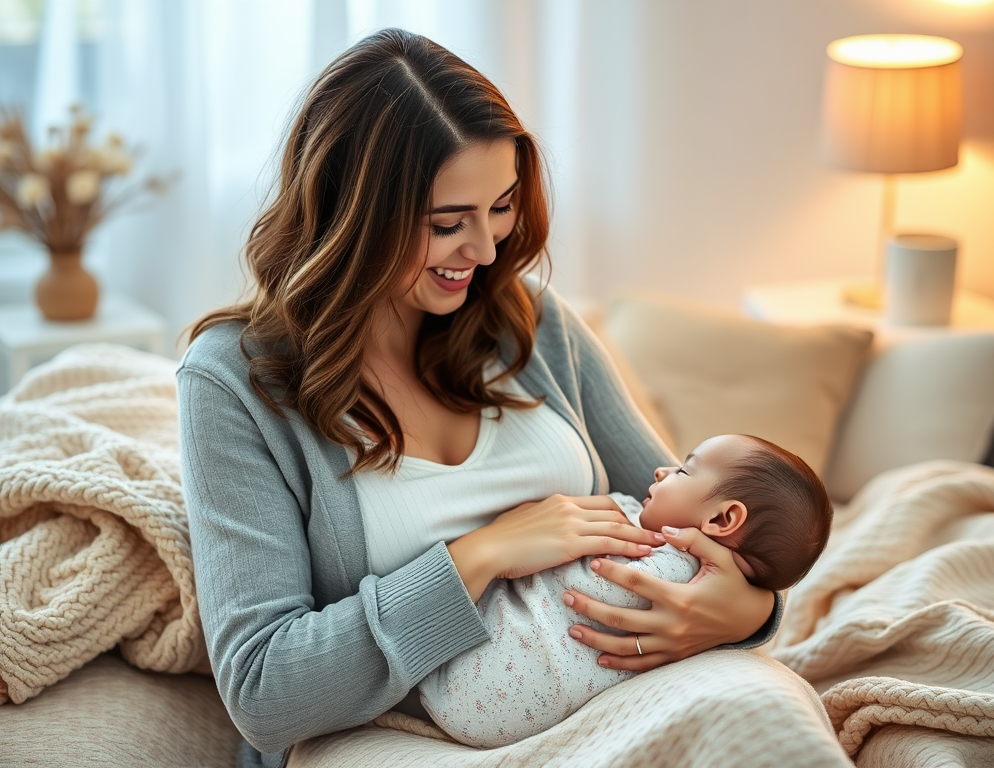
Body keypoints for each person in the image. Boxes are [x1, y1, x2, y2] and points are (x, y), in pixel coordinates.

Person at [176, 29, 782, 768]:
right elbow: (265, 689)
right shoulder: (233, 382)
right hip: (393, 734)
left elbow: (691, 511)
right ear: (350, 214)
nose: (488, 250)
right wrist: (481, 554)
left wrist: (751, 610)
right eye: (446, 224)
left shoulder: (525, 319)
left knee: (770, 724)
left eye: (499, 207)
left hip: (600, 693)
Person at [419, 433, 833, 747]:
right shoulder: (698, 580)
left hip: (468, 683)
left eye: (684, 471)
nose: (660, 471)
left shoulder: (660, 560)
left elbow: (584, 572)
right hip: (489, 715)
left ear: (723, 519)